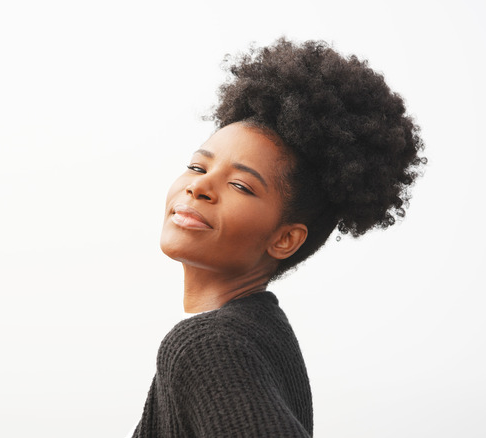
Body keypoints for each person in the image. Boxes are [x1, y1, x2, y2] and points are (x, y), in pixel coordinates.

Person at [130, 37, 425, 437]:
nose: (199, 188)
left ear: (285, 239)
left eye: (240, 185)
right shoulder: (259, 332)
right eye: (197, 167)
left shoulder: (207, 346)